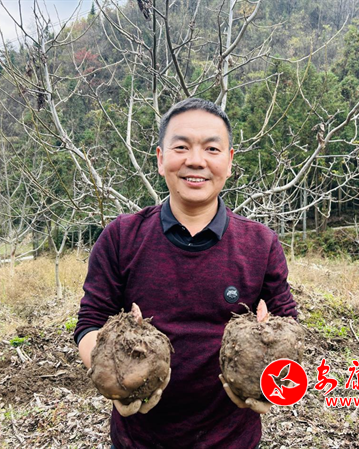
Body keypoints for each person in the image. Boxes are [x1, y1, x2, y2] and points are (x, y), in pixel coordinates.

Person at [74, 98, 298, 449]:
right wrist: (115, 382)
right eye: (181, 147)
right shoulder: (121, 237)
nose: (195, 160)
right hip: (139, 440)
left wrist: (274, 388)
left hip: (233, 440)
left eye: (211, 148)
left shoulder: (260, 243)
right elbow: (90, 322)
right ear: (161, 159)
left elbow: (288, 325)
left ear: (229, 161)